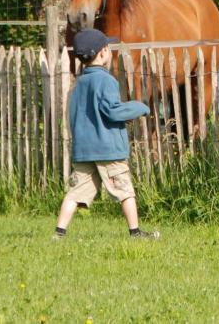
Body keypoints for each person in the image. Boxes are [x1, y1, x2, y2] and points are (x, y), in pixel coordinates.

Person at [54, 28, 158, 239]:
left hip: (84, 150)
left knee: (75, 193)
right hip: (108, 150)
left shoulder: (78, 85)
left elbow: (76, 115)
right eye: (108, 48)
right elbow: (112, 110)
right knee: (125, 192)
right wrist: (139, 107)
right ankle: (135, 231)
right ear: (102, 53)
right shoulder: (107, 81)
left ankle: (59, 233)